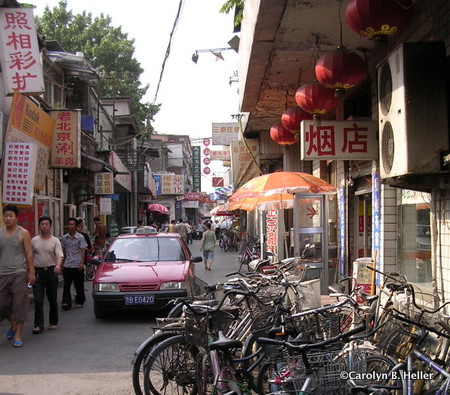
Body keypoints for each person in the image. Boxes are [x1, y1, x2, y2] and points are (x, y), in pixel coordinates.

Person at [0, 205, 35, 347]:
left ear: (16, 218)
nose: (7, 218)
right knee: (2, 304)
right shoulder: (0, 232)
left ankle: (19, 334)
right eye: (5, 215)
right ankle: (12, 323)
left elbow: (28, 253)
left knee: (19, 304)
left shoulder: (23, 233)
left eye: (10, 216)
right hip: (2, 273)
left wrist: (31, 272)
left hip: (19, 273)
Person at [31, 216, 64, 334]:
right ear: (39, 226)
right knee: (38, 299)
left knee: (52, 298)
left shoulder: (55, 240)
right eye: (42, 224)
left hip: (51, 271)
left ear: (50, 226)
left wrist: (58, 266)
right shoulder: (34, 240)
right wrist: (30, 272)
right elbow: (30, 256)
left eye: (46, 224)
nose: (44, 226)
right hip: (38, 272)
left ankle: (53, 321)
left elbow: (59, 255)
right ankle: (38, 325)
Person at [60, 217, 87, 310]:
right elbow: (63, 251)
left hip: (77, 263)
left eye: (72, 224)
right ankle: (66, 302)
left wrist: (81, 263)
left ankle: (80, 300)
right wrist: (61, 264)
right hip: (67, 264)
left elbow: (83, 250)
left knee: (79, 284)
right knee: (66, 284)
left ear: (75, 226)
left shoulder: (80, 237)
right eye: (69, 224)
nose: (70, 226)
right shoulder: (64, 238)